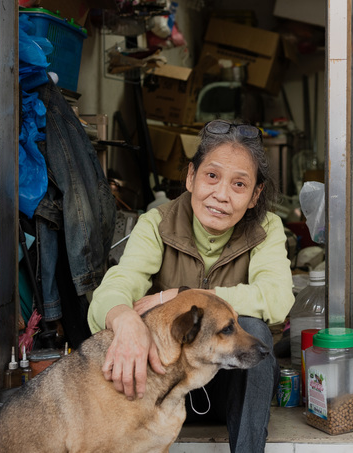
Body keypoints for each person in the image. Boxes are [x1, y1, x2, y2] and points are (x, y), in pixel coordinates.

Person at [87, 119, 295, 453]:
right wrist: (124, 319)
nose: (221, 195)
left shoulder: (267, 229)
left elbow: (276, 298)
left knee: (255, 328)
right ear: (190, 177)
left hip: (231, 393)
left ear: (255, 195)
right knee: (122, 328)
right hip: (159, 386)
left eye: (239, 185)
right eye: (211, 176)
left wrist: (180, 297)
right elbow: (116, 287)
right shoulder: (157, 223)